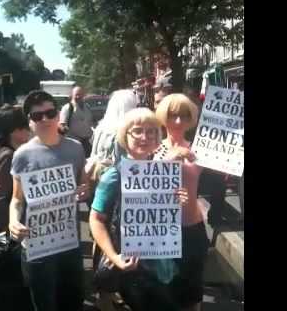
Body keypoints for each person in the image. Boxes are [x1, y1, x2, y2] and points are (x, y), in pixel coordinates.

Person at [89, 108, 189, 311]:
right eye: (138, 131)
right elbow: (96, 219)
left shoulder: (163, 173)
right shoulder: (114, 175)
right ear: (125, 136)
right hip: (131, 264)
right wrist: (114, 257)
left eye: (151, 131)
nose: (145, 137)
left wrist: (177, 200)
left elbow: (162, 214)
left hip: (161, 261)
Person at [9, 90, 90, 311]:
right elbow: (17, 199)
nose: (44, 119)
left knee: (72, 302)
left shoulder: (75, 148)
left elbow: (83, 185)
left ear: (57, 115)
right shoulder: (22, 155)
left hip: (69, 242)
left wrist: (84, 190)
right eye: (37, 116)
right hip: (37, 245)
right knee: (45, 304)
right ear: (30, 122)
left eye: (50, 113)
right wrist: (13, 222)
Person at [154, 94, 210, 311]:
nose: (178, 121)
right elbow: (141, 183)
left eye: (184, 116)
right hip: (160, 231)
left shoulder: (201, 149)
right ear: (164, 116)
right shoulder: (153, 148)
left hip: (192, 227)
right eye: (173, 115)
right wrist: (170, 157)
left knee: (192, 291)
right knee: (164, 292)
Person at [87, 89, 138, 311]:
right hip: (118, 183)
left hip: (100, 182)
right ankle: (108, 287)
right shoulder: (123, 130)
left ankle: (104, 287)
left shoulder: (101, 127)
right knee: (113, 231)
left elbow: (94, 155)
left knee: (100, 231)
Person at [0, 106, 32, 311]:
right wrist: (10, 235)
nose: (29, 130)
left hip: (4, 236)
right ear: (15, 131)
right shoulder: (8, 156)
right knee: (11, 289)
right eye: (25, 126)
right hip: (8, 238)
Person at [59, 86, 93, 157]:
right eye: (76, 94)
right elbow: (62, 125)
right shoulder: (67, 108)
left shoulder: (87, 107)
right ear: (72, 95)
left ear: (84, 95)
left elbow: (90, 122)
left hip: (86, 142)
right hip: (73, 143)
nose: (78, 96)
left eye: (80, 94)